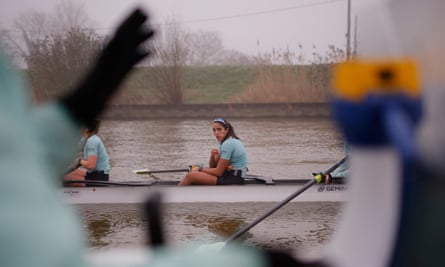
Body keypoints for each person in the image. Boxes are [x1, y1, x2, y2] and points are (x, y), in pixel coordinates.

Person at [179, 117, 248, 185]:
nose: (216, 133)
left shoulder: (228, 144)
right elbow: (213, 167)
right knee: (196, 174)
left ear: (227, 130)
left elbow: (218, 172)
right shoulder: (226, 142)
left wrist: (199, 169)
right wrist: (212, 156)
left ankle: (178, 193)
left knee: (191, 176)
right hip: (228, 175)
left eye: (219, 129)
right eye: (214, 130)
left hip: (234, 179)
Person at [64, 119, 110, 186]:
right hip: (93, 174)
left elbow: (91, 165)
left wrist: (80, 161)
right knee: (67, 173)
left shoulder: (92, 141)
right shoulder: (85, 139)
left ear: (86, 128)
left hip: (99, 178)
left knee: (63, 178)